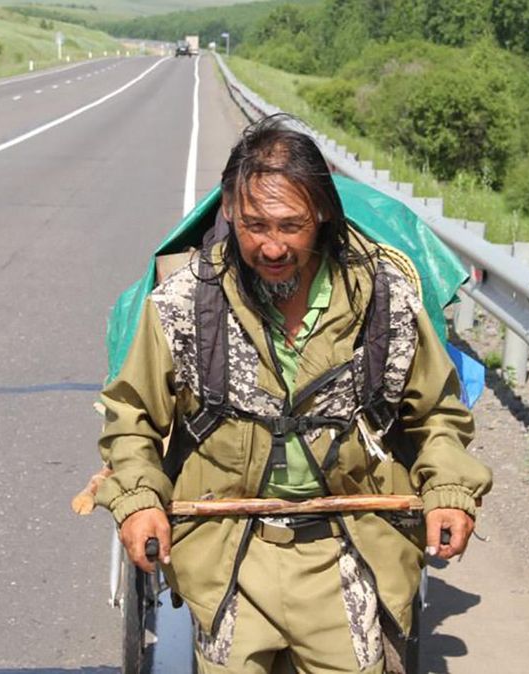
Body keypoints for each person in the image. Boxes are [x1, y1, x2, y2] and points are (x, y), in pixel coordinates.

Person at [96, 115, 492, 673]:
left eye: (291, 226)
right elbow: (132, 417)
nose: (272, 246)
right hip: (224, 553)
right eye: (255, 224)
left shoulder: (385, 299)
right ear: (229, 210)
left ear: (324, 215)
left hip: (349, 549)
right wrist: (138, 501)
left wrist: (450, 487)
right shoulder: (186, 303)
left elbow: (437, 414)